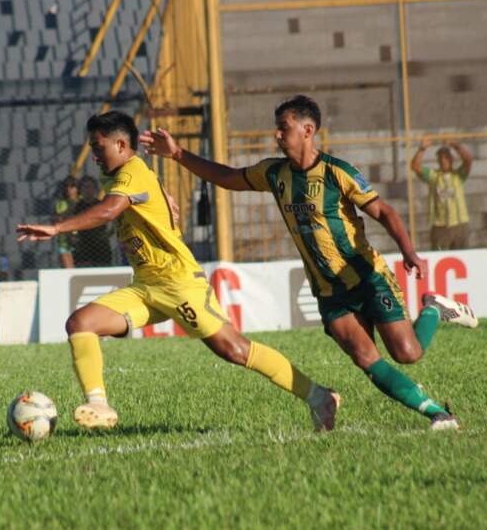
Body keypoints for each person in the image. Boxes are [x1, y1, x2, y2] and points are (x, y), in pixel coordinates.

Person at [140, 94, 480, 431]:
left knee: (408, 353)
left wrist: (409, 252)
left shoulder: (337, 172)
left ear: (307, 130)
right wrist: (178, 154)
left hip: (366, 277)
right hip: (329, 291)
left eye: (283, 128)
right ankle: (439, 414)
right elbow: (228, 177)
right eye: (277, 128)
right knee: (366, 359)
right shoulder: (274, 173)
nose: (277, 135)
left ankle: (433, 308)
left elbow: (384, 211)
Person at [17, 110, 339, 433]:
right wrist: (161, 195)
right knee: (80, 323)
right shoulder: (117, 176)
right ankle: (99, 405)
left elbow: (111, 209)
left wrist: (57, 227)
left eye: (98, 148)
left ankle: (320, 397)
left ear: (121, 145)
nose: (94, 156)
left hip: (179, 283)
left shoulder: (131, 170)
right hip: (145, 287)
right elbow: (134, 199)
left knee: (235, 350)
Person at [410, 137, 473, 250]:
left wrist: (455, 145)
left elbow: (468, 160)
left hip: (460, 224)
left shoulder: (458, 175)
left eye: (446, 158)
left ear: (452, 159)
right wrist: (422, 148)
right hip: (440, 226)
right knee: (440, 257)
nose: (444, 161)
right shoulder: (434, 176)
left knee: (462, 257)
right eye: (441, 158)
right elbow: (415, 166)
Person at [73, 175, 113, 267]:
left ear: (95, 189)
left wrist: (107, 235)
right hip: (83, 245)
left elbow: (113, 222)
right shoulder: (77, 207)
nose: (87, 190)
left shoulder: (101, 205)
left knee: (103, 270)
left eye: (90, 187)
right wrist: (73, 236)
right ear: (80, 190)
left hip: (100, 245)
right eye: (85, 187)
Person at [54, 176, 80, 268]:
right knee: (69, 270)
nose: (69, 189)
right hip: (65, 241)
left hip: (82, 241)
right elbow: (60, 220)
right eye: (67, 187)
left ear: (77, 188)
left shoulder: (82, 201)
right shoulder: (61, 203)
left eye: (72, 186)